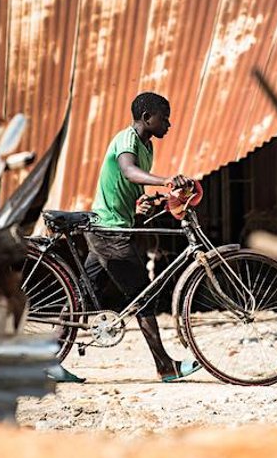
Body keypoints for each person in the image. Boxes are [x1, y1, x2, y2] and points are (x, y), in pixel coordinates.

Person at [58, 91, 201, 383]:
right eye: (165, 118)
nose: (169, 124)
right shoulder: (128, 140)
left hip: (110, 227)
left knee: (80, 297)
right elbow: (128, 171)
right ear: (147, 118)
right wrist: (167, 180)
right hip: (109, 231)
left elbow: (132, 187)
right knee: (143, 296)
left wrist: (149, 201)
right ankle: (165, 367)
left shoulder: (147, 148)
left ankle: (44, 361)